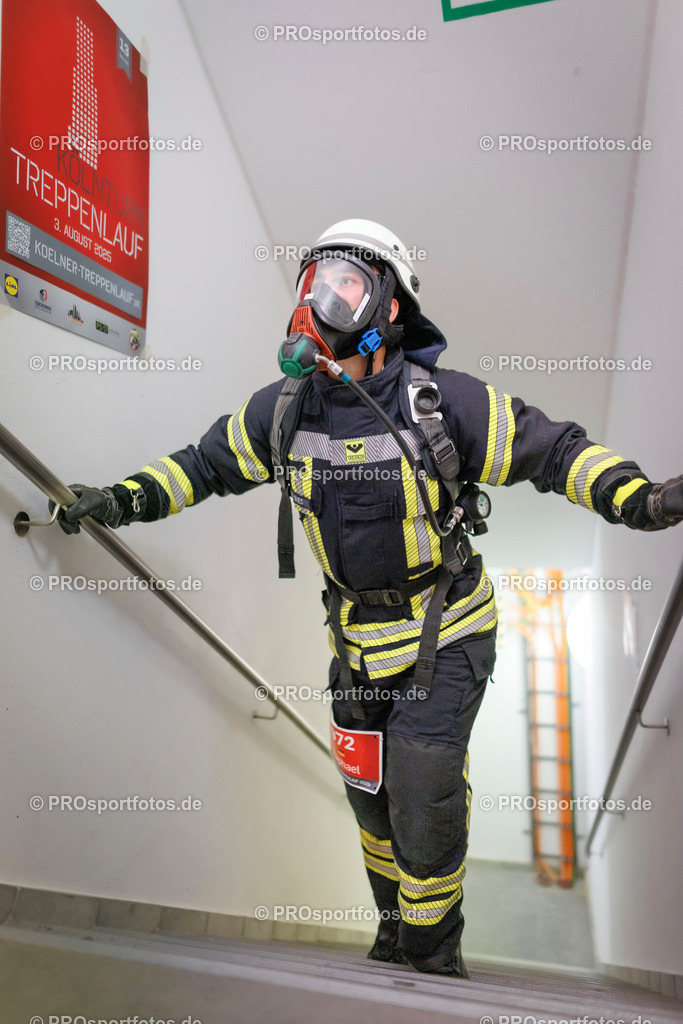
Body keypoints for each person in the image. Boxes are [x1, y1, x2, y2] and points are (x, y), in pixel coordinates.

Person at [54, 219, 683, 979]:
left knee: (422, 795)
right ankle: (393, 930)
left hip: (445, 631)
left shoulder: (442, 404)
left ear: (388, 306)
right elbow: (202, 465)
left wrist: (636, 499)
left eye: (344, 284)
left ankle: (430, 952)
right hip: (354, 645)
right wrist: (121, 501)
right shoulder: (282, 413)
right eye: (311, 283)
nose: (319, 302)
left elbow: (552, 448)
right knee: (370, 804)